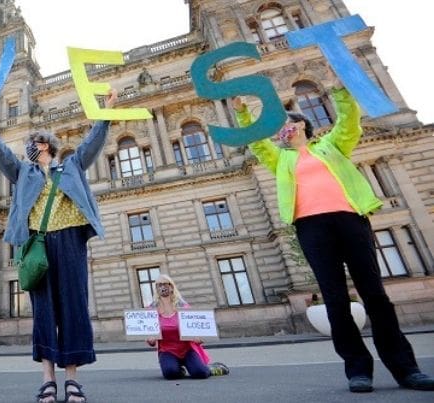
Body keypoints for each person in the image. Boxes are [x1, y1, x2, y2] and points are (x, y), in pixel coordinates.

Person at [232, 69, 434, 393]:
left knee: (376, 296)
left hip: (349, 219)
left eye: (287, 124)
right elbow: (258, 145)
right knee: (335, 299)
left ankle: (406, 369)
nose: (282, 130)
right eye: (279, 128)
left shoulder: (331, 146)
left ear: (301, 126)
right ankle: (358, 370)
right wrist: (242, 112)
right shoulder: (280, 160)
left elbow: (349, 124)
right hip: (311, 227)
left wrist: (339, 91)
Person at [0, 89, 118, 403]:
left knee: (74, 308)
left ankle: (73, 380)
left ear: (47, 147)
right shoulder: (23, 171)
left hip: (70, 241)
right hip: (37, 244)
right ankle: (47, 379)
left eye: (35, 144)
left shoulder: (72, 165)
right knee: (43, 311)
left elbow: (92, 143)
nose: (29, 148)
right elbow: (0, 153)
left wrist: (106, 111)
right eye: (28, 145)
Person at [145, 274, 229, 380]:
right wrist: (151, 340)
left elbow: (196, 328)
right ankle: (179, 369)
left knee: (200, 373)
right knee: (170, 373)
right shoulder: (151, 310)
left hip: (187, 349)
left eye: (165, 284)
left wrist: (199, 338)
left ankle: (212, 369)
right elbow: (149, 336)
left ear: (171, 287)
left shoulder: (183, 307)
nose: (162, 287)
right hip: (167, 351)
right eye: (159, 285)